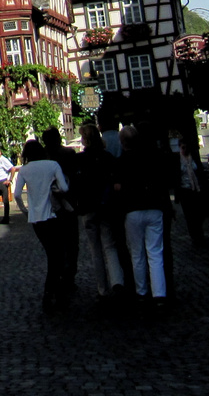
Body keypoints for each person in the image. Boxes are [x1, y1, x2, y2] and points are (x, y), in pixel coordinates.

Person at [114, 126, 171, 305]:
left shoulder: (121, 161)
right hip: (154, 207)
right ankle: (159, 293)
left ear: (122, 143)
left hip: (132, 210)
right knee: (155, 252)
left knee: (137, 253)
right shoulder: (151, 157)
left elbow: (118, 187)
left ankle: (141, 291)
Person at [13, 139, 70, 312]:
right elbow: (65, 188)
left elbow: (16, 194)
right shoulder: (52, 165)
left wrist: (24, 210)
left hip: (37, 218)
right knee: (58, 255)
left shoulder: (25, 170)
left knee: (52, 254)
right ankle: (53, 291)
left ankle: (53, 292)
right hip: (54, 215)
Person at [75, 124, 125, 299]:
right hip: (106, 206)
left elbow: (75, 185)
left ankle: (102, 288)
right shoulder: (107, 157)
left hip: (88, 208)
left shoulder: (80, 159)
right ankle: (117, 281)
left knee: (95, 249)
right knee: (110, 245)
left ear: (85, 140)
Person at [41, 128, 81, 299]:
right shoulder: (69, 154)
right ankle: (69, 275)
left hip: (49, 207)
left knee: (55, 245)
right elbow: (76, 178)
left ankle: (57, 276)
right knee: (71, 242)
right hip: (68, 204)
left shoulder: (42, 157)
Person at [174, 139, 206, 246]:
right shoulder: (178, 160)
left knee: (199, 213)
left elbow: (199, 171)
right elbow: (176, 178)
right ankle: (195, 237)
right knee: (189, 215)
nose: (185, 150)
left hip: (196, 189)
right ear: (180, 148)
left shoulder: (194, 158)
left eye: (186, 147)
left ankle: (199, 233)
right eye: (183, 147)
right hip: (185, 191)